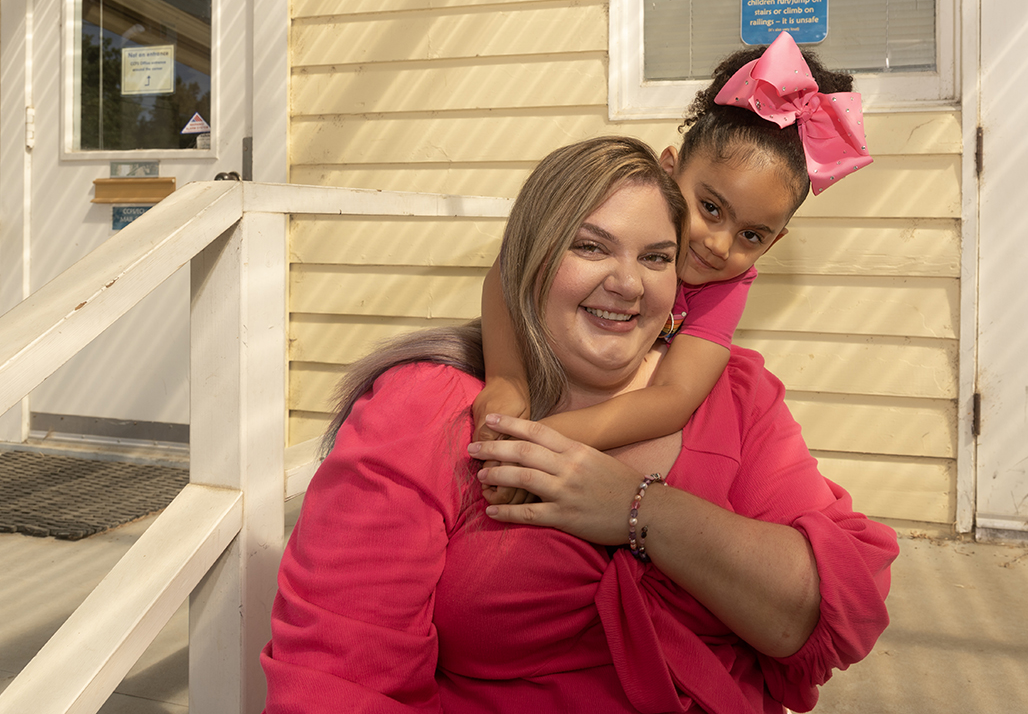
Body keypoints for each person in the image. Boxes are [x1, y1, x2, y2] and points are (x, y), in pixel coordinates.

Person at [260, 135, 897, 713]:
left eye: (656, 257)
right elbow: (340, 681)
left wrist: (638, 508)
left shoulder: (737, 396)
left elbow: (832, 609)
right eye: (590, 246)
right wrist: (508, 388)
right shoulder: (428, 409)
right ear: (535, 252)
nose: (626, 283)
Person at [474, 32, 872, 505]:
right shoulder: (622, 200)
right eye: (710, 207)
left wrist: (542, 440)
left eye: (751, 236)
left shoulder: (728, 285)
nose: (720, 245)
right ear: (668, 171)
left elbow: (673, 398)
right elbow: (510, 267)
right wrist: (506, 377)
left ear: (773, 243)